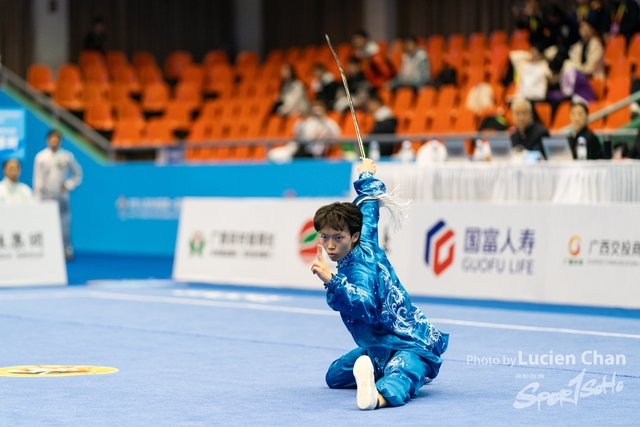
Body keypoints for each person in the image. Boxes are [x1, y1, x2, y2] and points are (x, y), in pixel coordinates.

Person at [311, 158, 448, 410]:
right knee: (335, 376)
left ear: (353, 236)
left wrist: (331, 280)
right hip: (378, 347)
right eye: (325, 237)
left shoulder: (358, 270)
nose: (330, 245)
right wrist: (366, 174)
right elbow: (370, 207)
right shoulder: (366, 240)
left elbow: (365, 305)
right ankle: (385, 367)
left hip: (411, 342)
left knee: (400, 376)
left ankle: (379, 397)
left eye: (337, 238)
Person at [33, 130, 83, 260]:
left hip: (62, 197)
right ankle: (46, 251)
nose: (54, 142)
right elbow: (37, 179)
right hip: (46, 197)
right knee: (45, 225)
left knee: (65, 225)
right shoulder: (41, 157)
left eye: (57, 139)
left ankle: (67, 251)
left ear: (60, 141)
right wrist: (37, 198)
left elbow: (77, 174)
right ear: (47, 140)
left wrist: (69, 185)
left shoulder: (66, 156)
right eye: (52, 139)